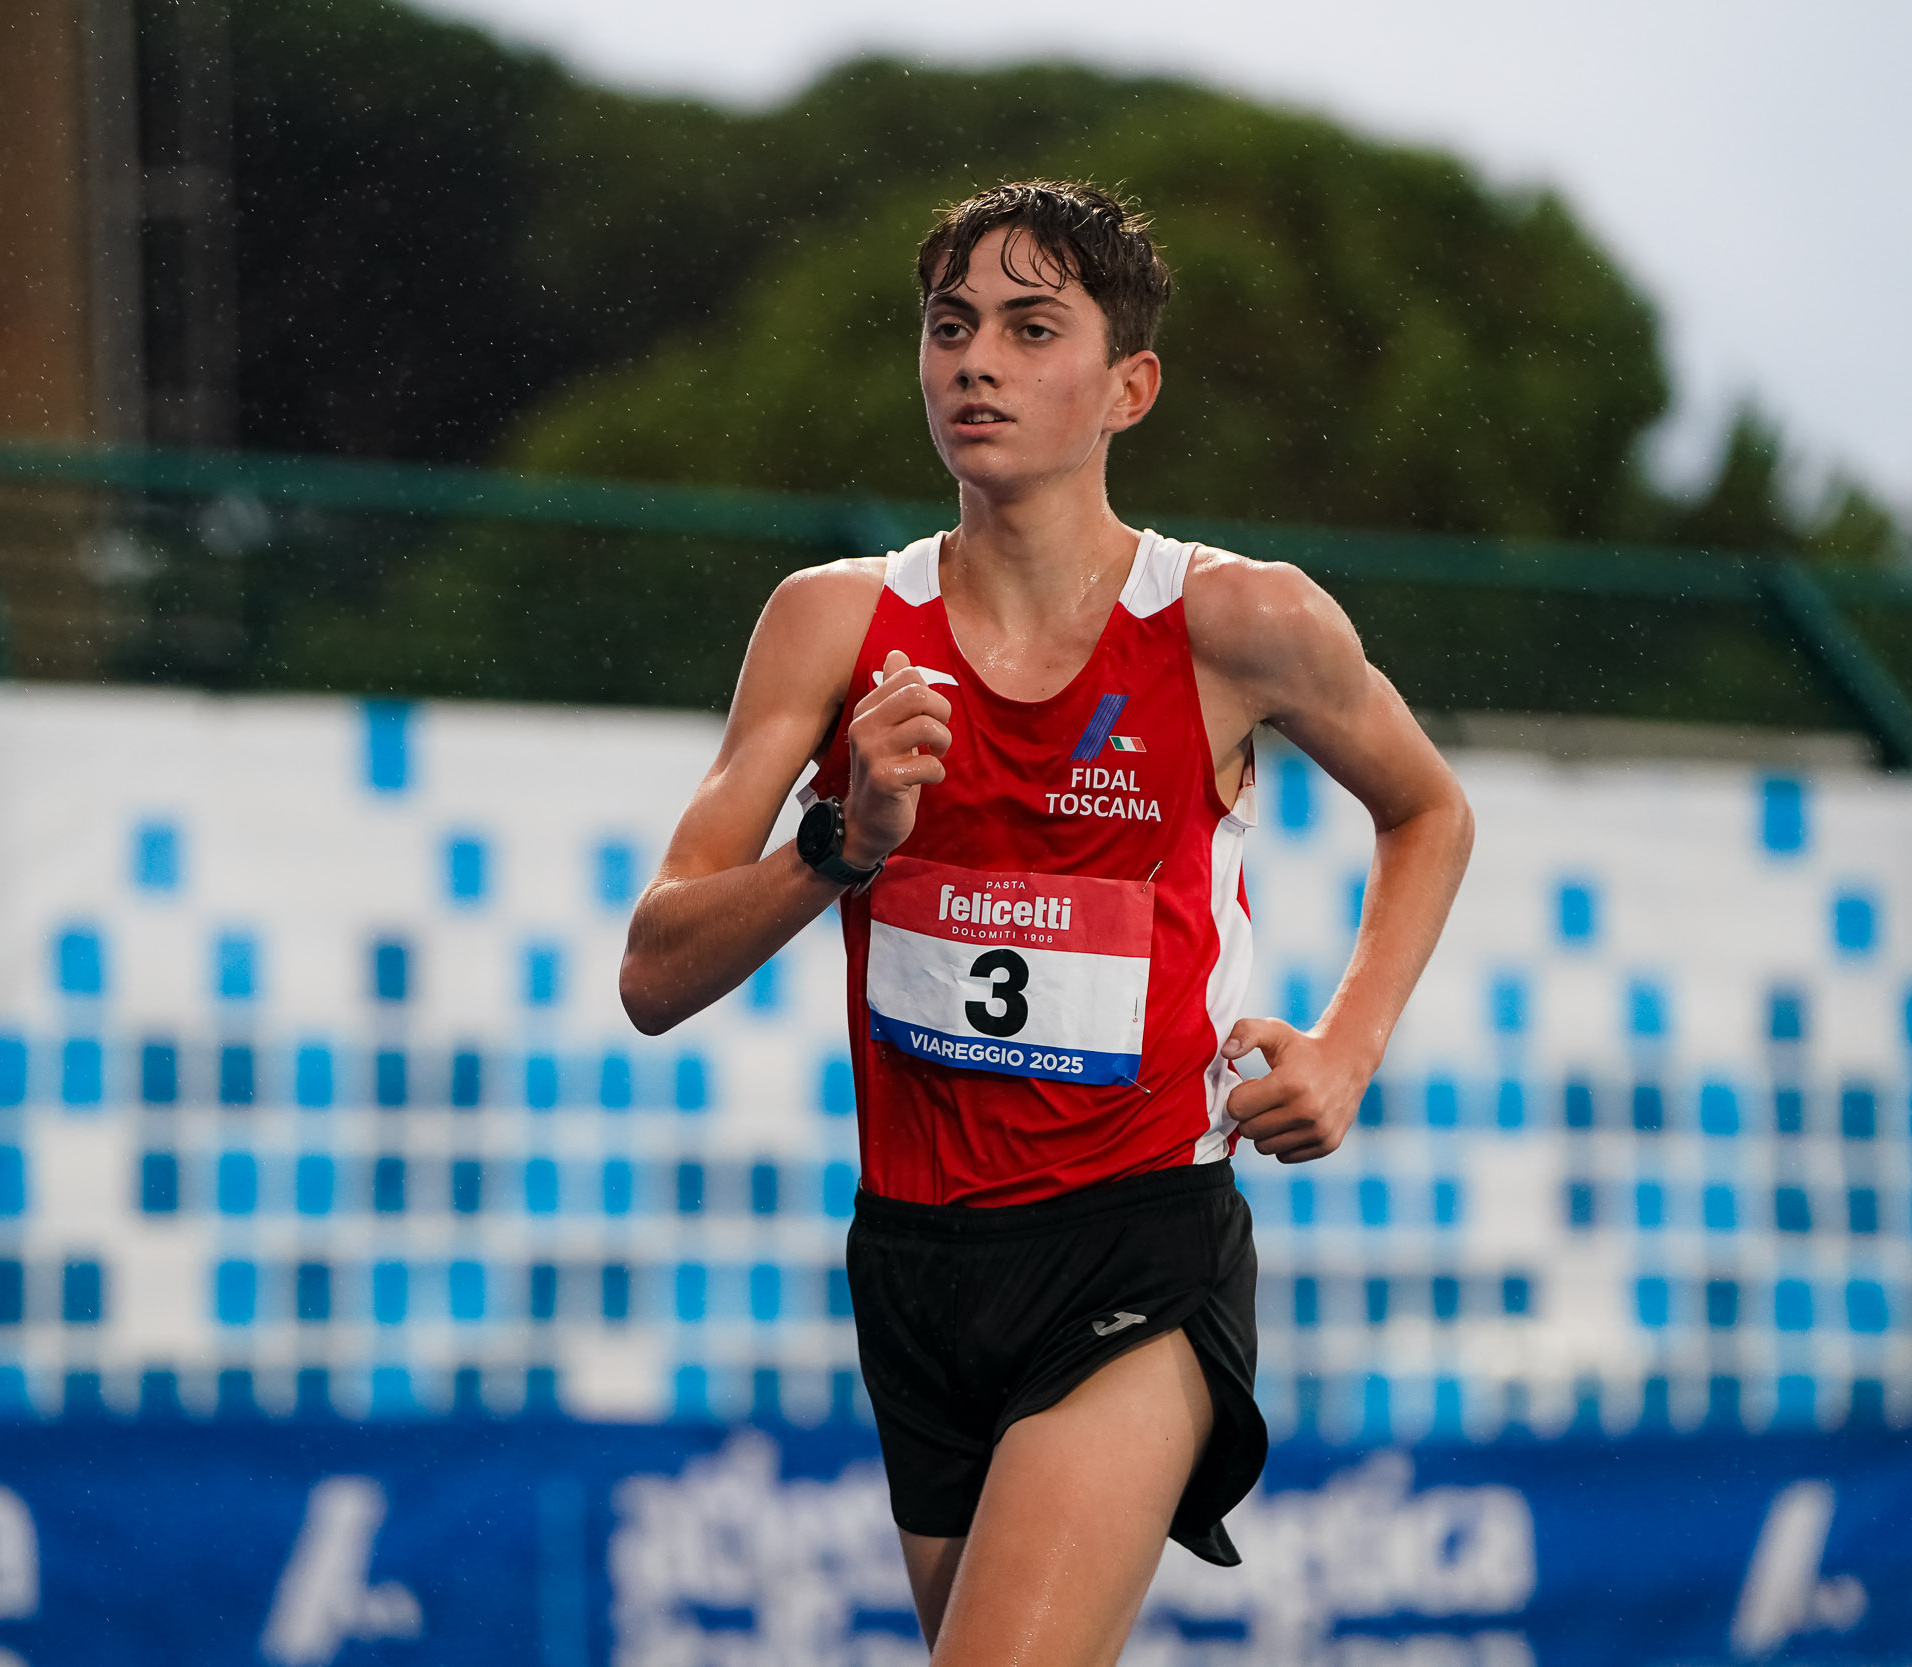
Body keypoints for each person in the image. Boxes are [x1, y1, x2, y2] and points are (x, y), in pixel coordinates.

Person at [619, 179, 1474, 1665]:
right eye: (950, 327)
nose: (976, 363)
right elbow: (654, 970)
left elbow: (1430, 811)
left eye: (1030, 330)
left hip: (1134, 1243)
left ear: (1129, 388)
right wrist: (839, 846)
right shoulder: (832, 623)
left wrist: (1347, 1049)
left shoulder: (1238, 620)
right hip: (916, 1263)